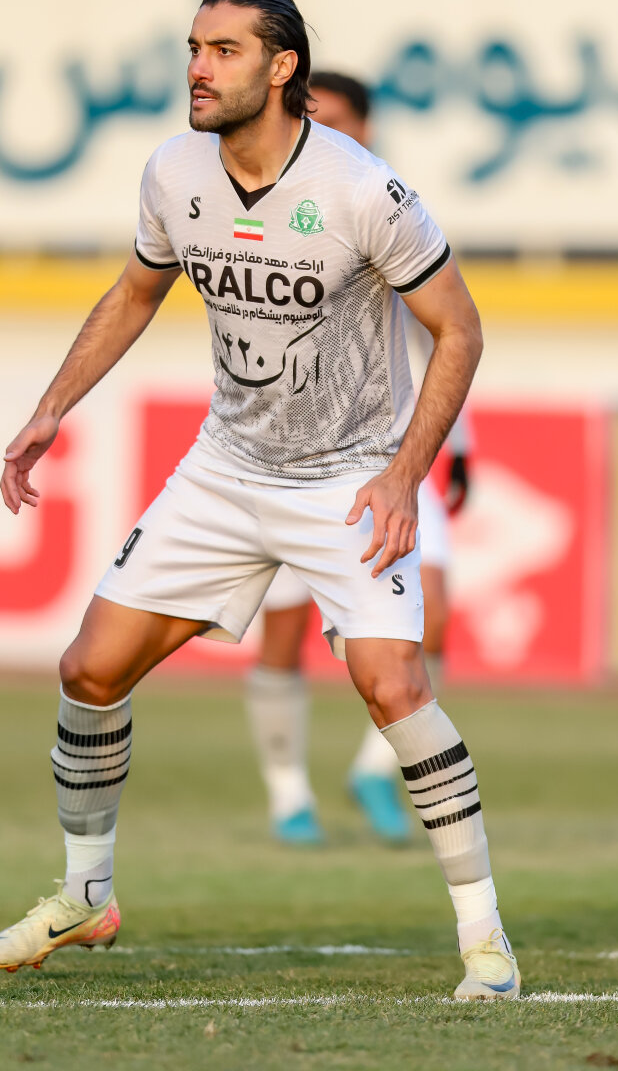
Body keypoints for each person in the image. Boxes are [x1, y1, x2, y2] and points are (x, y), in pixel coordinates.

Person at [0, 0, 520, 1000]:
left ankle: (485, 941)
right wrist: (52, 408)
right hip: (225, 470)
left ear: (280, 69)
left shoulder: (364, 190)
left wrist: (403, 474)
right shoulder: (173, 170)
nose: (197, 67)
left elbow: (461, 330)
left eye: (223, 50)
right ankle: (85, 894)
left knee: (395, 688)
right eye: (194, 47)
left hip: (348, 477)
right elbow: (135, 292)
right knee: (89, 669)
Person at [247, 70, 474, 846]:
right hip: (284, 460)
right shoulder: (269, 211)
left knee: (430, 615)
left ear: (366, 129)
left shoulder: (389, 207)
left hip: (389, 460)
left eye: (335, 118)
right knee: (284, 634)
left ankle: (375, 770)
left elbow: (445, 334)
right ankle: (288, 795)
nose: (319, 129)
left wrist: (459, 447)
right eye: (309, 115)